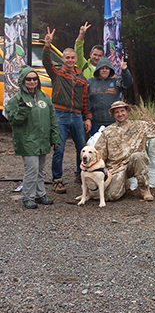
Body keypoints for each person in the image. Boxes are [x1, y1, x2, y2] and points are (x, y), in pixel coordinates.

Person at [95, 99, 155, 202]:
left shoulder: (139, 126)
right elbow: (99, 153)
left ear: (127, 112)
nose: (120, 114)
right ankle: (123, 184)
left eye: (122, 111)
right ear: (113, 115)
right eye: (116, 112)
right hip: (116, 168)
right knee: (112, 196)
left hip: (134, 163)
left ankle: (145, 190)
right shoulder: (108, 131)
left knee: (138, 156)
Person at [43, 27, 91, 194]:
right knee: (59, 148)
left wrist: (88, 117)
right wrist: (47, 45)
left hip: (77, 116)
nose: (70, 60)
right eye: (67, 58)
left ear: (76, 58)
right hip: (60, 114)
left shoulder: (81, 78)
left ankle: (80, 174)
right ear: (63, 59)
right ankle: (57, 179)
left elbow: (85, 100)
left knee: (82, 147)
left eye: (72, 57)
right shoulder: (56, 73)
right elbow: (47, 62)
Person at [6, 66, 60, 209]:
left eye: (34, 78)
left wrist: (54, 137)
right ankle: (28, 197)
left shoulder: (45, 97)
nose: (32, 81)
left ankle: (40, 193)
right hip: (27, 140)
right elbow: (13, 121)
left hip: (42, 140)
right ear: (23, 80)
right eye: (28, 79)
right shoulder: (16, 99)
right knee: (32, 169)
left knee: (41, 169)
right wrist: (23, 111)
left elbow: (52, 118)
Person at [87, 56, 133, 135]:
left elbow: (128, 82)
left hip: (113, 122)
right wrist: (87, 118)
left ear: (110, 70)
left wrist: (124, 70)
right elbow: (85, 100)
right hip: (95, 122)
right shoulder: (90, 82)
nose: (104, 70)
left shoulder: (116, 82)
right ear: (98, 69)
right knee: (95, 145)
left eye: (107, 68)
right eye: (102, 68)